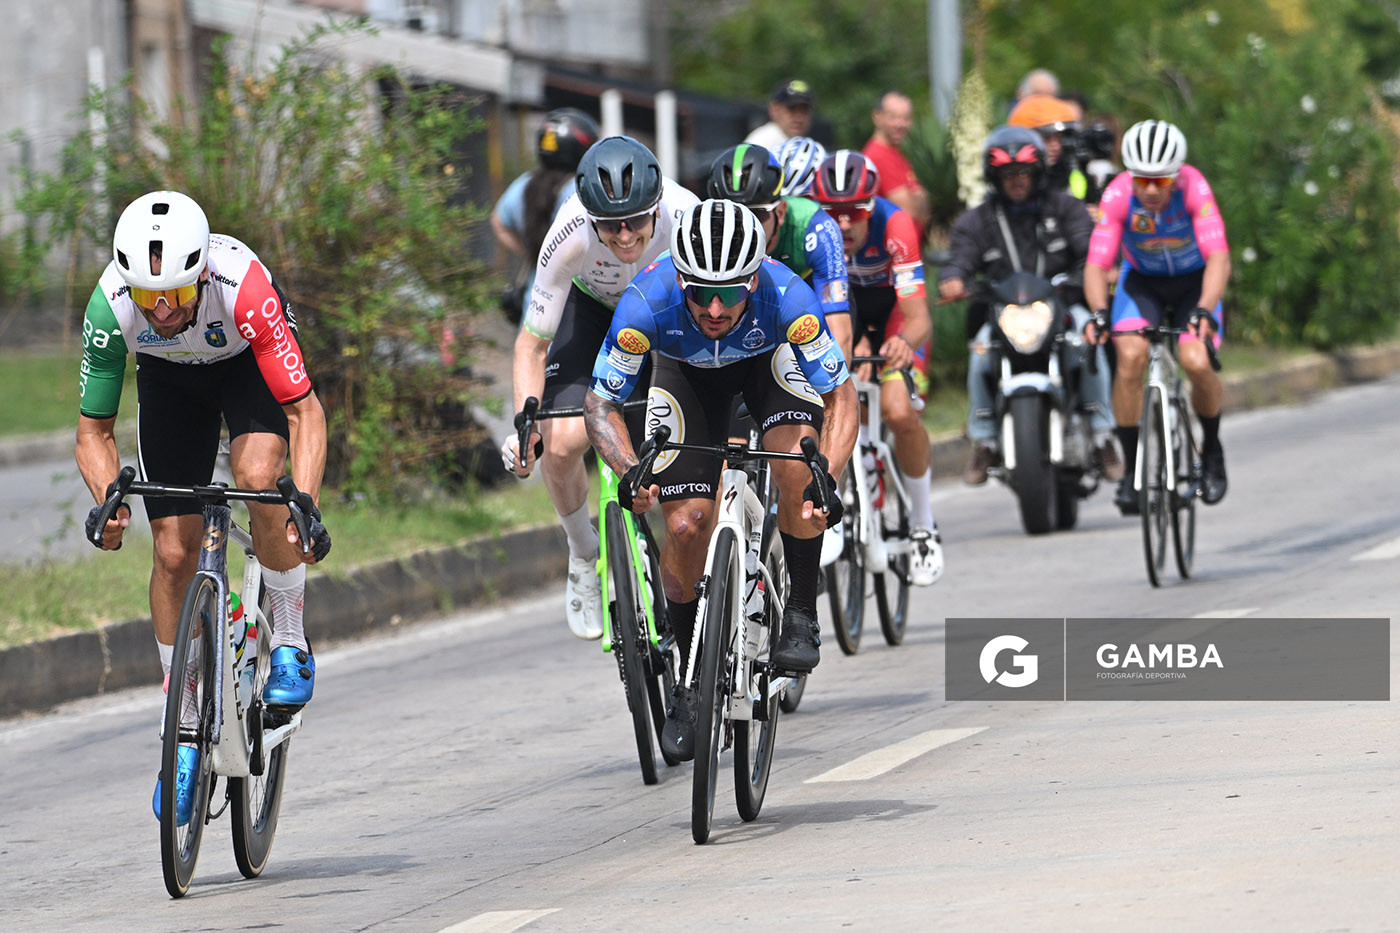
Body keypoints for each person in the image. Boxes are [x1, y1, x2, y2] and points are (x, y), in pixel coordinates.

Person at [77, 190, 332, 825]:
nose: (161, 310)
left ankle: (292, 639)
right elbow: (93, 435)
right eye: (148, 298)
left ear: (198, 277)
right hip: (169, 385)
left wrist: (306, 504)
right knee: (171, 552)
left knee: (257, 478)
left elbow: (304, 414)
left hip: (246, 367)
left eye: (176, 296)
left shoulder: (240, 287)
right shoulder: (111, 308)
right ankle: (183, 720)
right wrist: (109, 503)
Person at [583, 199, 857, 760]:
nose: (712, 308)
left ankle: (801, 612)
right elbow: (600, 405)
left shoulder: (790, 300)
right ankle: (688, 679)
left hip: (766, 368)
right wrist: (628, 469)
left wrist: (827, 472)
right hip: (685, 378)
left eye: (730, 294)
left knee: (796, 468)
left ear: (753, 281)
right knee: (686, 525)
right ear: (679, 279)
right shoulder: (643, 307)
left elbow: (840, 396)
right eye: (699, 292)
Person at [502, 137, 699, 639]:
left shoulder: (687, 217)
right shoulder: (569, 232)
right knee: (563, 442)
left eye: (636, 220)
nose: (626, 235)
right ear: (590, 217)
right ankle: (582, 552)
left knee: (681, 430)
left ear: (658, 206)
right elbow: (531, 345)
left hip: (666, 313)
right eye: (610, 225)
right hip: (591, 312)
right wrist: (527, 423)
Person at [937, 127, 1121, 486]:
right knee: (979, 353)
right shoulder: (977, 220)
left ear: (1037, 172)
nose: (1017, 181)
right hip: (1003, 314)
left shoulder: (1065, 207)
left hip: (1062, 308)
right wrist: (955, 278)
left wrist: (1093, 270)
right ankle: (985, 438)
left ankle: (1102, 434)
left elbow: (1090, 249)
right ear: (995, 177)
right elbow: (960, 257)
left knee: (1089, 341)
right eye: (1008, 174)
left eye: (1023, 172)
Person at [810, 151, 944, 585]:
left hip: (895, 317)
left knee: (899, 411)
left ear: (872, 206)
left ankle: (923, 525)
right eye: (834, 213)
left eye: (855, 212)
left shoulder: (896, 224)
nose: (844, 224)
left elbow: (919, 316)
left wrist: (904, 344)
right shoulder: (815, 231)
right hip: (844, 316)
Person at [1083, 119, 1230, 514]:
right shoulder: (1117, 196)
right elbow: (1097, 264)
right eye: (1142, 180)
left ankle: (1212, 449)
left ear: (1176, 175)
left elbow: (1218, 255)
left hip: (1193, 284)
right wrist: (1099, 313)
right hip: (1142, 283)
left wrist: (1205, 307)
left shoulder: (1195, 188)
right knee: (1129, 358)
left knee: (1196, 361)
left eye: (1160, 182)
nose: (1150, 190)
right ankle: (1134, 472)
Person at [707, 143, 852, 359]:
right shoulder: (705, 228)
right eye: (734, 215)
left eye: (756, 213)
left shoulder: (816, 228)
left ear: (781, 212)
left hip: (808, 299)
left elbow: (839, 331)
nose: (744, 227)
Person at [490, 108, 601, 324]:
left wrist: (534, 253)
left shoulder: (524, 184)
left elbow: (498, 222)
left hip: (535, 305)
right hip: (577, 305)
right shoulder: (583, 189)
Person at [862, 91, 932, 245]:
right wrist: (920, 195)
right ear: (877, 117)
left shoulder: (897, 153)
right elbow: (909, 211)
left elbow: (923, 212)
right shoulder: (878, 155)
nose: (900, 124)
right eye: (893, 117)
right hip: (892, 258)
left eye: (906, 118)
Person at [1007, 95, 1090, 201]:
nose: (1056, 146)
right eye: (1046, 138)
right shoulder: (1006, 183)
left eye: (1060, 138)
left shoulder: (1071, 175)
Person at [744, 79, 815, 153]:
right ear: (774, 109)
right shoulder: (759, 144)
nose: (799, 118)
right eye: (792, 109)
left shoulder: (810, 147)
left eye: (804, 110)